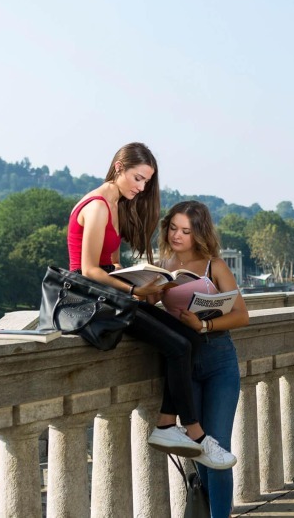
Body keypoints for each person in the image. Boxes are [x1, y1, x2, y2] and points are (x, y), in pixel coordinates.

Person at [67, 142, 235, 470]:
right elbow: (87, 270)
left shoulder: (115, 206)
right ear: (119, 167)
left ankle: (165, 424)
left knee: (193, 337)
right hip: (91, 300)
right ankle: (195, 434)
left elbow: (110, 265)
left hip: (111, 295)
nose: (141, 187)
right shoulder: (98, 206)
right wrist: (133, 287)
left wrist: (149, 285)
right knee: (176, 346)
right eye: (137, 178)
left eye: (146, 182)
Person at [156, 200, 249, 517]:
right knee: (199, 447)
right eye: (173, 228)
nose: (177, 236)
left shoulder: (215, 266)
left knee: (217, 447)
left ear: (199, 233)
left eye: (186, 230)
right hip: (183, 366)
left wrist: (204, 323)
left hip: (219, 358)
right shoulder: (161, 268)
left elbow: (241, 315)